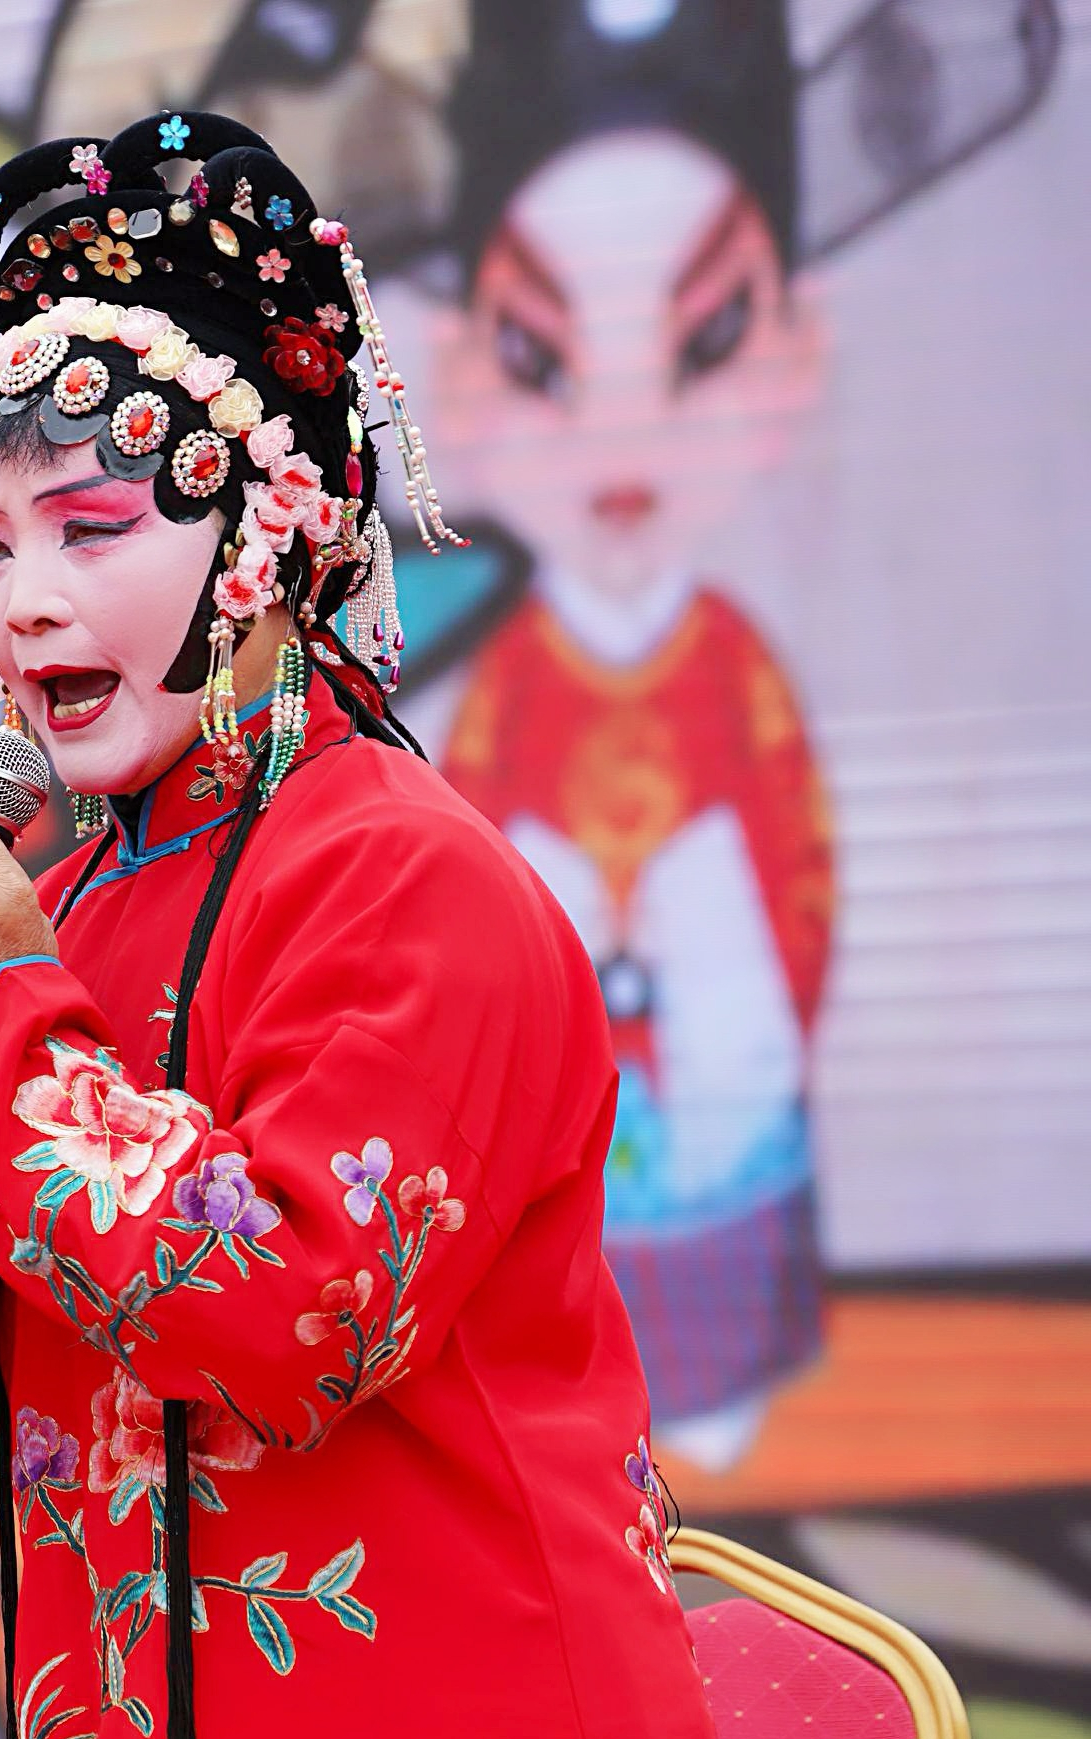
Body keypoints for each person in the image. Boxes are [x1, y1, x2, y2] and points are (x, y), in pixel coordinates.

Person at [0, 114, 751, 1739]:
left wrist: (2, 1031)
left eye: (93, 529)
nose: (25, 598)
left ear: (273, 527)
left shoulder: (413, 878)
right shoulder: (76, 892)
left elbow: (295, 1316)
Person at [425, 0, 833, 1473]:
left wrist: (709, 936)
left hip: (714, 1105)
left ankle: (717, 1374)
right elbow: (459, 883)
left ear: (789, 350)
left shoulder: (735, 670)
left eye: (703, 338)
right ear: (463, 376)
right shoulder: (506, 685)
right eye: (542, 355)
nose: (622, 425)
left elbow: (797, 874)